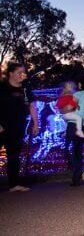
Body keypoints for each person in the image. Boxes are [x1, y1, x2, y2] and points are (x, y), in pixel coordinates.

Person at [0, 62, 39, 192]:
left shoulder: (25, 88)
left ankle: (13, 185)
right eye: (19, 73)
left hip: (18, 127)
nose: (21, 75)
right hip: (1, 127)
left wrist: (36, 124)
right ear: (10, 73)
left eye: (23, 73)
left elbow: (32, 106)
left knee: (14, 157)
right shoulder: (2, 87)